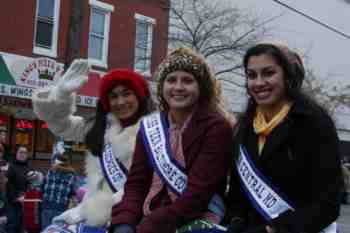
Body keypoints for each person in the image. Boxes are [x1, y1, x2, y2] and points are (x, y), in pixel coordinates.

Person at [110, 47, 235, 233]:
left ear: (201, 87)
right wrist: (124, 223)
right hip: (150, 216)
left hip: (198, 219)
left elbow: (197, 195)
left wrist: (149, 227)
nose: (178, 87)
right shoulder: (150, 127)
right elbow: (136, 185)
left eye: (187, 80)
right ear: (162, 87)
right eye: (171, 80)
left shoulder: (217, 127)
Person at [225, 43, 343, 233]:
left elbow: (328, 203)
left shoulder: (314, 122)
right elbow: (237, 194)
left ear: (287, 75)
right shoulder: (245, 126)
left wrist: (274, 230)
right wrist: (236, 221)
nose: (258, 82)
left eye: (268, 73)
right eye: (251, 75)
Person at [31, 60, 154, 230]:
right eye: (113, 96)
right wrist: (61, 94)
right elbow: (61, 125)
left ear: (139, 96)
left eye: (127, 94)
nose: (120, 102)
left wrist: (88, 211)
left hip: (133, 219)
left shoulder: (156, 131)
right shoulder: (100, 128)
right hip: (91, 216)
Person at [6, 145, 31, 233]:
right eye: (20, 152)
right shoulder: (12, 167)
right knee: (13, 224)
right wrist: (16, 197)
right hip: (13, 201)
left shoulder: (28, 167)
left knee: (22, 225)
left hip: (25, 200)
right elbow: (9, 184)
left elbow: (30, 184)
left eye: (25, 153)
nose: (22, 154)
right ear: (16, 154)